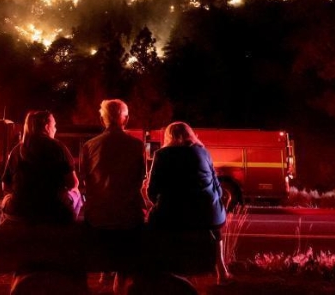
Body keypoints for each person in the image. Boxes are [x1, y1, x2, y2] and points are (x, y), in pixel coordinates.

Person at [146, 121, 233, 285]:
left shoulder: (162, 155)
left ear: (168, 137)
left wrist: (157, 202)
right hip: (207, 214)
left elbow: (152, 190)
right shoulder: (203, 152)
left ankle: (159, 269)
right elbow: (216, 185)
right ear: (190, 134)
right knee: (214, 230)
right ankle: (222, 271)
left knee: (152, 224)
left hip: (172, 214)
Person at [80, 99, 146, 295]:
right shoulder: (136, 145)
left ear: (102, 119)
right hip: (128, 219)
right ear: (125, 119)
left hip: (97, 218)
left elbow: (85, 182)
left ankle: (106, 271)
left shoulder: (90, 146)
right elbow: (139, 181)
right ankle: (122, 279)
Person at [1, 110, 82, 224]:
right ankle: (68, 227)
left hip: (19, 211)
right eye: (54, 125)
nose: (55, 129)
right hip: (53, 211)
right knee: (77, 194)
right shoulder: (58, 148)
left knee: (7, 199)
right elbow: (72, 184)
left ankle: (10, 229)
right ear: (46, 127)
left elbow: (5, 186)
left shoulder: (17, 150)